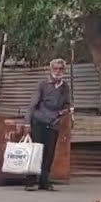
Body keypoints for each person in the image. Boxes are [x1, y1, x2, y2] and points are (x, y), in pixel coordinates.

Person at [24, 58, 73, 191]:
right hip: (39, 121)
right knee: (36, 152)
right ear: (50, 70)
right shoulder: (43, 84)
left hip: (53, 123)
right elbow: (32, 105)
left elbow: (67, 103)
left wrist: (67, 109)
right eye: (55, 69)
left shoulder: (65, 87)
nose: (58, 71)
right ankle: (30, 181)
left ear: (64, 70)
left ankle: (44, 182)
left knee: (49, 153)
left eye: (60, 69)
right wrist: (27, 124)